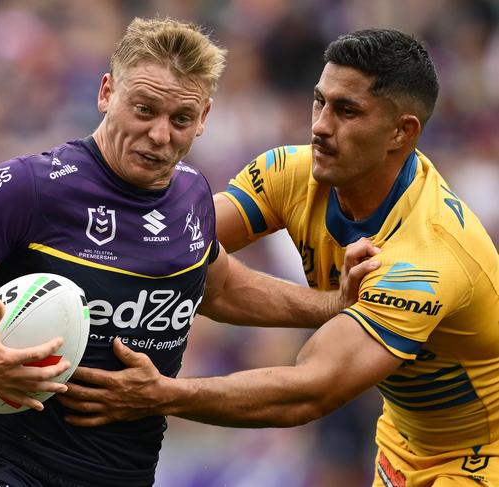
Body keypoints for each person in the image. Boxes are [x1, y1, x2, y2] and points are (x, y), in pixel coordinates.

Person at [0, 17, 374, 487]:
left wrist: (330, 305)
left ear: (204, 119)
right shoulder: (34, 187)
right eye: (144, 109)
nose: (158, 134)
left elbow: (218, 287)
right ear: (107, 92)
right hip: (10, 469)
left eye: (181, 118)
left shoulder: (194, 195)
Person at [57, 28, 499, 486]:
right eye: (320, 102)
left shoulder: (427, 256)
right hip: (402, 442)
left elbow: (310, 391)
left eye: (347, 111)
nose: (321, 126)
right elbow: (174, 245)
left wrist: (163, 394)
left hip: (483, 456)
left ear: (402, 132)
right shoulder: (293, 172)